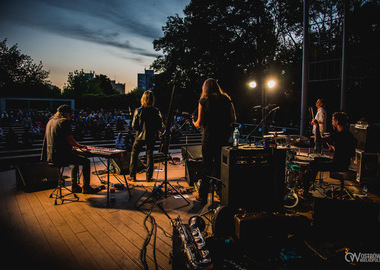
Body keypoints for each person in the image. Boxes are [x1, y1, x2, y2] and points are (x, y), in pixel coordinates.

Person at [192, 78, 236, 204]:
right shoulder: (227, 99)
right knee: (220, 166)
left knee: (206, 166)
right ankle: (221, 193)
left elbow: (200, 122)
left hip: (209, 138)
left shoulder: (203, 101)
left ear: (204, 88)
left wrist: (194, 123)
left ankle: (203, 195)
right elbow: (233, 119)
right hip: (223, 139)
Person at [41, 105, 99, 194]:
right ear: (65, 113)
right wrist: (79, 145)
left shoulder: (50, 121)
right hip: (61, 156)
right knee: (86, 162)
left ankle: (74, 186)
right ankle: (86, 187)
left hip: (51, 156)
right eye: (70, 113)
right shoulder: (64, 121)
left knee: (75, 160)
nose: (71, 116)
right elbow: (69, 139)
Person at [302, 112, 356, 195]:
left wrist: (316, 126)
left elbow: (318, 140)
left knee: (313, 164)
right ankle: (311, 184)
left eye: (333, 120)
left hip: (337, 164)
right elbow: (348, 151)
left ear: (337, 122)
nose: (332, 122)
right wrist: (335, 148)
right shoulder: (349, 135)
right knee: (316, 159)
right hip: (345, 163)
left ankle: (306, 190)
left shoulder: (338, 135)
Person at [129, 90, 163, 182]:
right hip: (151, 136)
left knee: (134, 154)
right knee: (150, 155)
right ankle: (149, 177)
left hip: (139, 136)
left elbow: (134, 126)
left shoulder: (138, 110)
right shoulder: (156, 111)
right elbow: (159, 125)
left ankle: (132, 175)